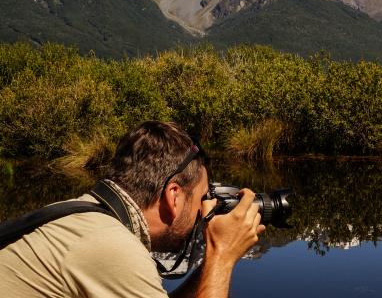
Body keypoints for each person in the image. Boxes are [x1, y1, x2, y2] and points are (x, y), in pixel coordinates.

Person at [0, 120, 264, 297]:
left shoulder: (80, 214)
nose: (203, 210)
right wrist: (222, 256)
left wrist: (209, 265)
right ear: (174, 196)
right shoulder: (110, 246)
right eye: (201, 198)